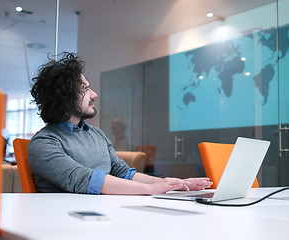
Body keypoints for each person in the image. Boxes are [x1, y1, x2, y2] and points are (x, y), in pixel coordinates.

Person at [28, 52, 213, 195]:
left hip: (107, 213)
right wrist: (150, 189)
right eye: (85, 89)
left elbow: (124, 173)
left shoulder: (96, 134)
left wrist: (174, 184)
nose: (94, 94)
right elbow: (85, 179)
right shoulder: (44, 143)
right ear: (64, 97)